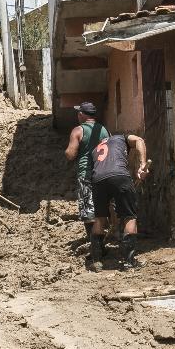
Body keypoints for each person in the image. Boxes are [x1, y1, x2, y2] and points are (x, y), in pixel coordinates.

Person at [86, 133, 149, 271]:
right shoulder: (121, 138)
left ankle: (97, 261)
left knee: (100, 218)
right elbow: (139, 140)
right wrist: (142, 164)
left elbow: (94, 171)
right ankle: (129, 262)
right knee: (129, 216)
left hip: (97, 180)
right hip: (119, 176)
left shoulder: (95, 149)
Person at [63, 101, 109, 253]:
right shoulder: (104, 130)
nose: (77, 115)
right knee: (101, 210)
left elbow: (70, 155)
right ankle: (101, 243)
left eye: (78, 113)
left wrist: (68, 150)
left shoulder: (78, 130)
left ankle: (96, 248)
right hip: (103, 173)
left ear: (82, 114)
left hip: (86, 174)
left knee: (88, 212)